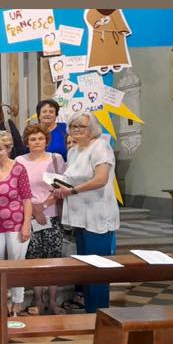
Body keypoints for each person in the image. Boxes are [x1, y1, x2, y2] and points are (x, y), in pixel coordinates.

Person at [51, 111, 120, 314]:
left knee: (98, 269)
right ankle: (90, 312)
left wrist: (72, 191)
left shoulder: (101, 147)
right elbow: (71, 178)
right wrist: (58, 186)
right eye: (73, 126)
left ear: (92, 129)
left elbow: (100, 179)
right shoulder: (74, 151)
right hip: (79, 215)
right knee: (86, 267)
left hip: (98, 214)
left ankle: (100, 314)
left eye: (82, 126)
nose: (77, 130)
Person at [0, 131, 33, 316]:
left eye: (0, 149)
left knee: (16, 264)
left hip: (16, 223)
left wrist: (26, 225)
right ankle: (0, 302)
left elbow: (27, 199)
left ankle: (17, 303)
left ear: (8, 149)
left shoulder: (19, 169)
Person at [16, 121, 66, 315]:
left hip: (52, 215)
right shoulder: (20, 161)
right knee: (34, 259)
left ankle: (53, 301)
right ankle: (38, 300)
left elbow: (61, 187)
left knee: (53, 259)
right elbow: (17, 189)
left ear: (46, 141)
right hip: (29, 216)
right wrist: (34, 212)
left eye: (40, 138)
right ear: (26, 142)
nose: (37, 142)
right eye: (32, 139)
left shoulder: (56, 159)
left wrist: (43, 207)